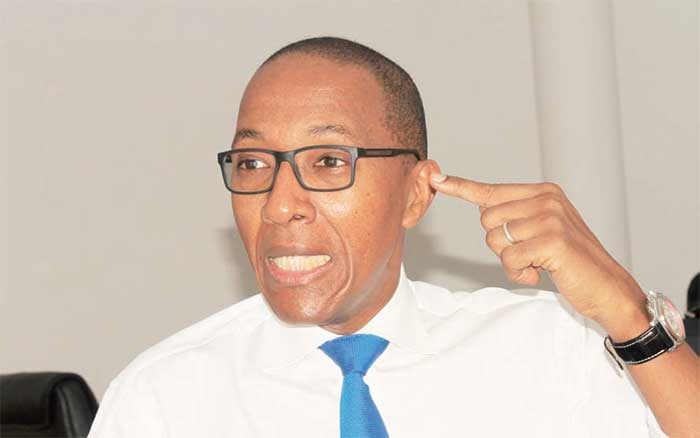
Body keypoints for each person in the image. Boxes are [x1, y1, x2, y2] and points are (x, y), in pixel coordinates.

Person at [87, 36, 699, 437]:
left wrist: (626, 312)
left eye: (329, 162)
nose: (279, 205)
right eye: (252, 164)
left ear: (415, 193)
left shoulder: (549, 349)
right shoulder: (166, 397)